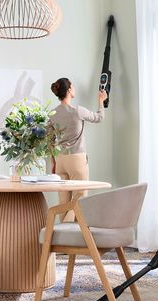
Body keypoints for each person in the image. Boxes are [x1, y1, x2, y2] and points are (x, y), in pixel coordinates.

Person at [49, 78, 107, 222]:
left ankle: (61, 239)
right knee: (79, 200)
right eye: (72, 86)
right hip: (77, 160)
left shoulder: (53, 114)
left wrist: (53, 161)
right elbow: (99, 117)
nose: (74, 88)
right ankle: (74, 236)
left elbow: (49, 140)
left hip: (60, 160)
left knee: (63, 203)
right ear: (69, 90)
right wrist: (101, 101)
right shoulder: (78, 111)